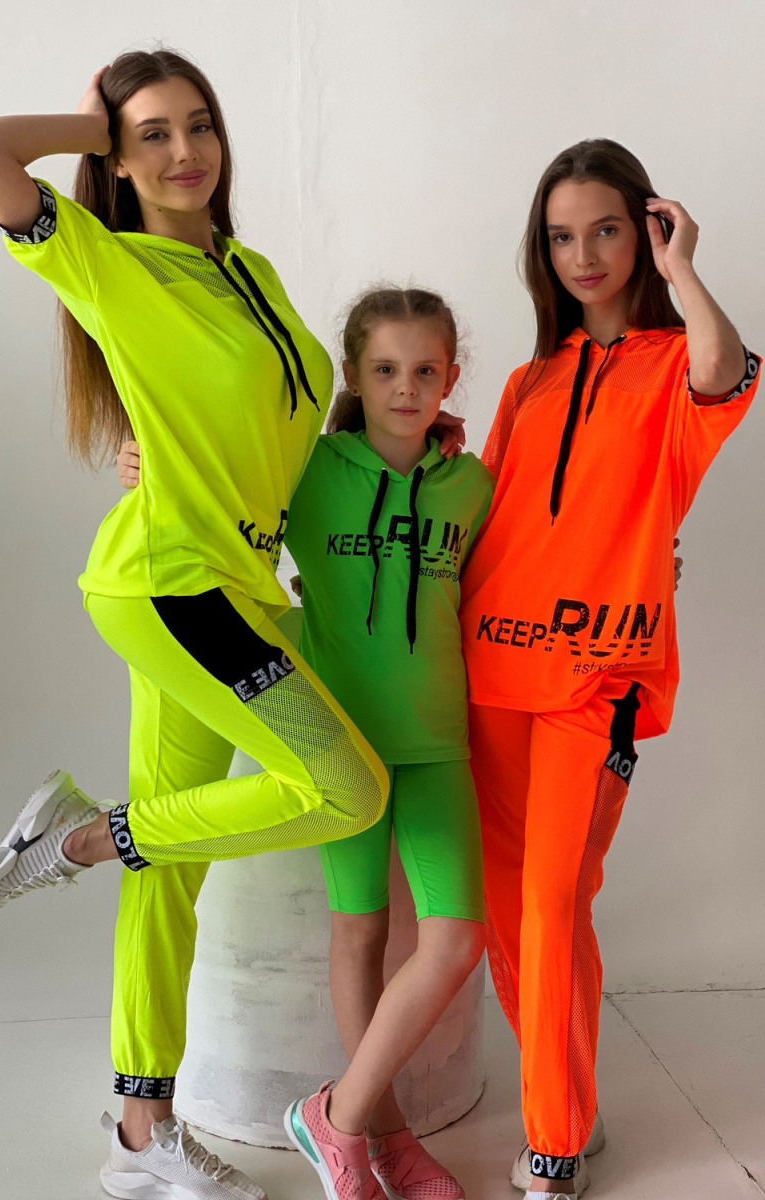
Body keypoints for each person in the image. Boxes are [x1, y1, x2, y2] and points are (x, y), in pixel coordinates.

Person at [0, 50, 390, 1200]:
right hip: (170, 588)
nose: (184, 150)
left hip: (236, 588)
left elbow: (272, 426)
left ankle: (138, 1128)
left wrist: (391, 429)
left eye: (198, 124)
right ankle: (78, 841)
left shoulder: (246, 269)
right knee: (347, 788)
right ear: (116, 155)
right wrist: (89, 126)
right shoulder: (112, 263)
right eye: (151, 134)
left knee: (174, 858)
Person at [118, 285, 493, 1200]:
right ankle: (382, 1141)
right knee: (360, 933)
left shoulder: (474, 486)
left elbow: (523, 569)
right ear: (354, 376)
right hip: (342, 746)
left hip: (438, 745)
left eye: (425, 371)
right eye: (385, 369)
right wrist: (150, 461)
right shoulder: (310, 470)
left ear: (450, 377)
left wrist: (652, 562)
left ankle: (338, 1115)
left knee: (454, 940)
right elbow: (222, 482)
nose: (406, 388)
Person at [457, 139, 759, 1198]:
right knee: (507, 913)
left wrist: (683, 271)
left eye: (606, 230)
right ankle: (567, 1111)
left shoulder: (676, 367)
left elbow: (726, 369)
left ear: (645, 231)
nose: (582, 255)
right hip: (490, 672)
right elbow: (484, 514)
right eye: (560, 237)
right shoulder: (527, 381)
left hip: (597, 680)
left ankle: (551, 1141)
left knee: (551, 901)